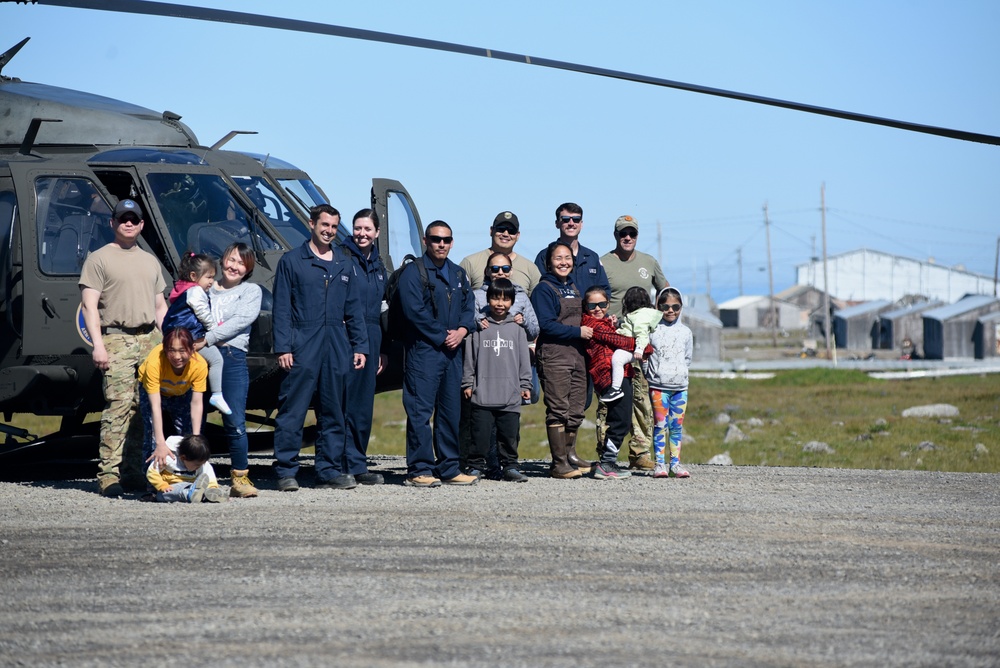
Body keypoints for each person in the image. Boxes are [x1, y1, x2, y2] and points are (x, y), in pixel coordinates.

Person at [272, 204, 368, 491]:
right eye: (324, 225)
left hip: (337, 343)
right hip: (303, 341)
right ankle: (286, 471)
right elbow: (281, 309)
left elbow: (354, 309)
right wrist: (283, 347)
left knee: (334, 410)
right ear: (312, 224)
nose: (329, 231)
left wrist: (359, 345)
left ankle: (328, 470)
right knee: (293, 409)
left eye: (334, 227)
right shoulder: (292, 261)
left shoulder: (344, 262)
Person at [79, 198, 168, 497]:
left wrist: (167, 341)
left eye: (134, 219)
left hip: (149, 339)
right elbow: (89, 307)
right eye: (123, 218)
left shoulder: (150, 260)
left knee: (144, 408)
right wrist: (98, 345)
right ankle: (108, 474)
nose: (128, 223)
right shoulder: (99, 259)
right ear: (112, 223)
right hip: (116, 338)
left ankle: (132, 471)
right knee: (118, 406)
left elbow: (160, 306)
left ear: (142, 224)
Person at [399, 221, 478, 487]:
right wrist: (443, 334)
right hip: (424, 350)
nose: (441, 244)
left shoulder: (457, 273)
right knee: (420, 412)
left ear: (452, 242)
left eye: (445, 240)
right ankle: (420, 469)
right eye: (435, 239)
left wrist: (463, 330)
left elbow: (469, 306)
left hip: (453, 351)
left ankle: (449, 467)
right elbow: (413, 311)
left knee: (449, 411)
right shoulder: (413, 272)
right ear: (425, 241)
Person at [598, 215, 669, 471]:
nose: (627, 238)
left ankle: (639, 452)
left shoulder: (649, 262)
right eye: (622, 234)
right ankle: (605, 452)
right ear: (615, 236)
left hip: (641, 344)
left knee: (641, 399)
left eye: (632, 234)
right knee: (612, 397)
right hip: (611, 341)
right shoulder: (603, 262)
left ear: (637, 236)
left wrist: (664, 320)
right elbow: (594, 297)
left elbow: (665, 292)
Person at [462, 251, 539, 477]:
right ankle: (476, 466)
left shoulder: (516, 329)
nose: (500, 303)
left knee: (509, 433)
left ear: (512, 302)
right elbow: (470, 356)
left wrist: (525, 385)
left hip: (510, 392)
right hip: (482, 392)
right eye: (495, 298)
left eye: (505, 299)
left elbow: (524, 359)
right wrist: (467, 382)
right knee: (480, 433)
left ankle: (511, 466)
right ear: (488, 300)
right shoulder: (480, 327)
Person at [196, 242, 263, 498]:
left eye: (241, 263)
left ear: (248, 269)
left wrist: (208, 338)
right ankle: (194, 472)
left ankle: (240, 478)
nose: (235, 266)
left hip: (232, 358)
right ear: (222, 260)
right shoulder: (206, 286)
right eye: (231, 259)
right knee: (195, 418)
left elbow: (241, 321)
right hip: (200, 356)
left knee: (234, 421)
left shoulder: (250, 291)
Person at [530, 242, 594, 479]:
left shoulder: (574, 287)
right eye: (558, 258)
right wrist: (578, 332)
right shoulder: (543, 289)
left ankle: (571, 456)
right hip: (554, 355)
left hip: (577, 356)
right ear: (549, 262)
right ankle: (559, 464)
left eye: (567, 258)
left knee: (576, 409)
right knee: (558, 409)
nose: (563, 262)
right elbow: (545, 325)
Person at [342, 209, 389, 486]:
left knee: (363, 405)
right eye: (358, 228)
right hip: (347, 335)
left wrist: (381, 348)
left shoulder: (378, 265)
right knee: (343, 402)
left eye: (367, 229)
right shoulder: (343, 258)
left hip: (372, 337)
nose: (362, 233)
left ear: (377, 232)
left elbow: (381, 309)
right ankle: (339, 462)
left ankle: (358, 462)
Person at [161, 252, 232, 416]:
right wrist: (215, 330)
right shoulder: (196, 292)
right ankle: (217, 394)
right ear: (194, 276)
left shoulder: (184, 289)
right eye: (209, 277)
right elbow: (203, 313)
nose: (212, 282)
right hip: (190, 336)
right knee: (216, 359)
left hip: (179, 335)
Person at [139, 327, 206, 470]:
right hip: (153, 393)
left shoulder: (200, 365)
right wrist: (160, 443)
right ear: (164, 349)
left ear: (193, 348)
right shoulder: (155, 362)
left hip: (181, 393)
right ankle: (151, 484)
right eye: (171, 350)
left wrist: (195, 439)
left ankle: (188, 473)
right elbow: (155, 407)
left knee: (188, 434)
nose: (176, 356)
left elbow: (197, 403)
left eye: (182, 351)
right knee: (153, 436)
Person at [645, 287, 693, 479]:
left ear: (681, 307)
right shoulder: (653, 330)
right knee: (660, 425)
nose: (670, 310)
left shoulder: (686, 332)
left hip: (680, 388)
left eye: (675, 306)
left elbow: (688, 357)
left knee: (676, 427)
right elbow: (645, 355)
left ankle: (675, 464)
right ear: (658, 306)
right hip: (658, 387)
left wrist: (680, 372)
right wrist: (651, 374)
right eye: (665, 306)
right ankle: (659, 464)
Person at [533, 202, 610, 299]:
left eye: (576, 219)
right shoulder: (545, 256)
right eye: (565, 220)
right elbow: (540, 291)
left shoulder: (592, 257)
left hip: (589, 313)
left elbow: (604, 290)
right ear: (557, 223)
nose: (571, 223)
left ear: (581, 224)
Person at [602, 286, 663, 403]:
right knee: (645, 370)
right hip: (636, 348)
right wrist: (617, 325)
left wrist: (639, 349)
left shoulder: (638, 316)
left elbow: (642, 333)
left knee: (617, 359)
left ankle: (615, 389)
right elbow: (630, 329)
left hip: (633, 349)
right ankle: (650, 380)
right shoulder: (643, 314)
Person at [460, 211, 540, 293]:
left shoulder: (530, 269)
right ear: (491, 231)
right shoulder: (470, 263)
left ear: (517, 235)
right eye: (501, 229)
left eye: (511, 231)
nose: (506, 234)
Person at [146, 434, 226, 503]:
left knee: (198, 488)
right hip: (170, 487)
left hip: (193, 486)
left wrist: (212, 487)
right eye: (196, 465)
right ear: (183, 458)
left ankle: (208, 494)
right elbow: (152, 472)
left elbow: (209, 476)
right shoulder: (169, 459)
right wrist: (162, 485)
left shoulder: (201, 462)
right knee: (162, 495)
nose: (199, 467)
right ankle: (193, 494)